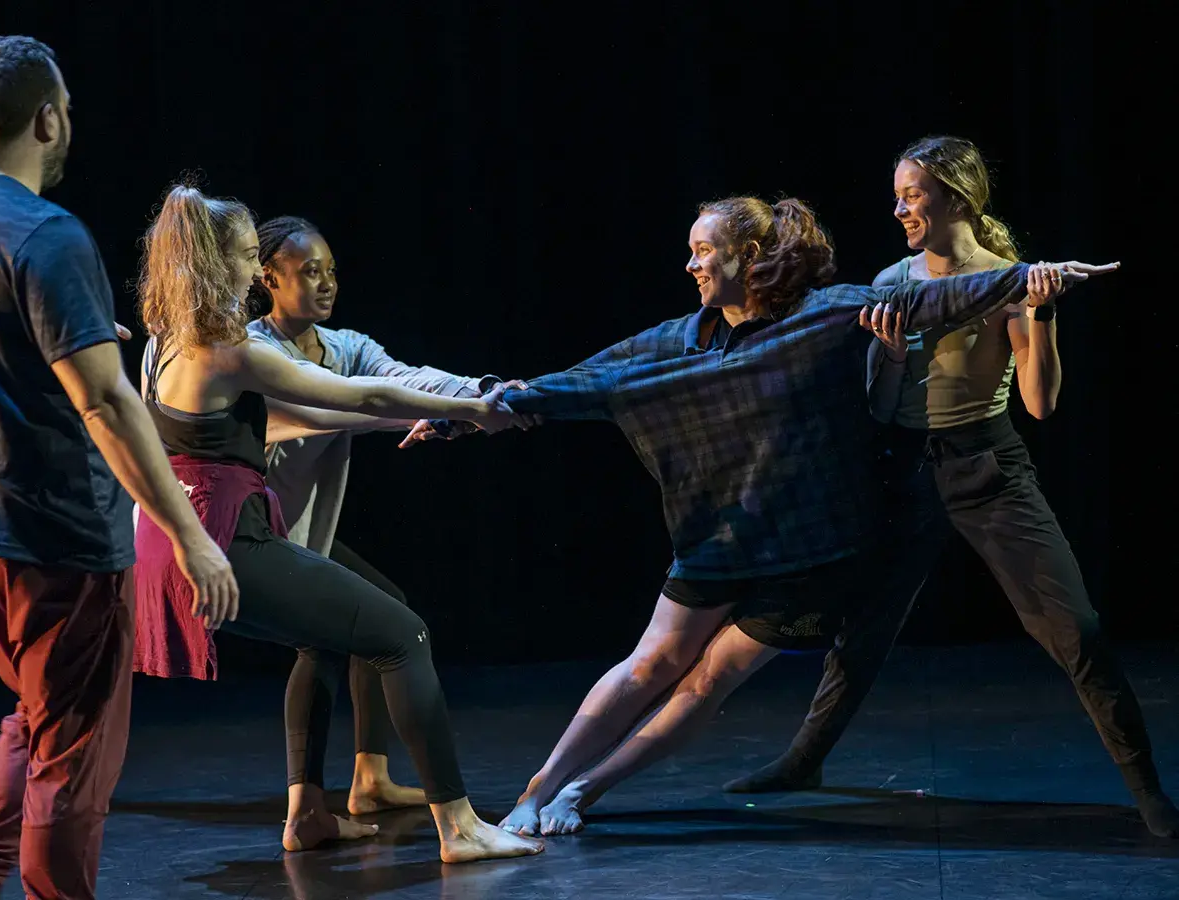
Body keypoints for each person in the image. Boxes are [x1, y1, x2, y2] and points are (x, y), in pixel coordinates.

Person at [403, 194, 1114, 836]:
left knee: (709, 681)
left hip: (809, 555)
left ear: (748, 255)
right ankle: (538, 789)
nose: (690, 264)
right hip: (719, 540)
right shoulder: (677, 341)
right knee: (651, 662)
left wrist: (1029, 278)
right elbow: (574, 384)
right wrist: (467, 412)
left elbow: (939, 301)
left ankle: (583, 791)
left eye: (703, 250)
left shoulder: (827, 315)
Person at [722, 136, 1179, 839]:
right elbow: (878, 407)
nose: (900, 208)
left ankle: (1148, 790)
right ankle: (802, 762)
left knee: (1075, 631)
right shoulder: (892, 282)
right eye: (899, 195)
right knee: (862, 630)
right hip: (904, 469)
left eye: (913, 195)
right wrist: (893, 355)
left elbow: (1040, 404)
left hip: (987, 467)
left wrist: (1046, 314)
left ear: (956, 199)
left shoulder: (1011, 281)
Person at [0, 37, 239, 900]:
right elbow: (109, 405)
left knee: (40, 713)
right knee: (76, 755)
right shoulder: (47, 233)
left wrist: (86, 346)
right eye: (69, 112)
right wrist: (190, 536)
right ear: (46, 117)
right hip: (59, 534)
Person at [130, 183, 545, 863]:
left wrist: (460, 403)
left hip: (182, 542)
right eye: (243, 256)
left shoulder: (165, 342)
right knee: (403, 635)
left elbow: (360, 397)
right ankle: (461, 828)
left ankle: (310, 815)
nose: (252, 272)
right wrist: (474, 411)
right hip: (230, 540)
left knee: (333, 633)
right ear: (223, 266)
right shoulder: (230, 350)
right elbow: (364, 396)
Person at [244, 215, 509, 815]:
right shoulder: (254, 353)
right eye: (310, 272)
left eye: (331, 271)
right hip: (250, 533)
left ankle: (369, 779)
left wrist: (481, 388)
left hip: (304, 531)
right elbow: (347, 404)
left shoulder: (346, 347)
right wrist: (463, 409)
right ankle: (305, 806)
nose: (326, 283)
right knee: (332, 637)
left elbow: (402, 377)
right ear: (269, 279)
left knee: (381, 611)